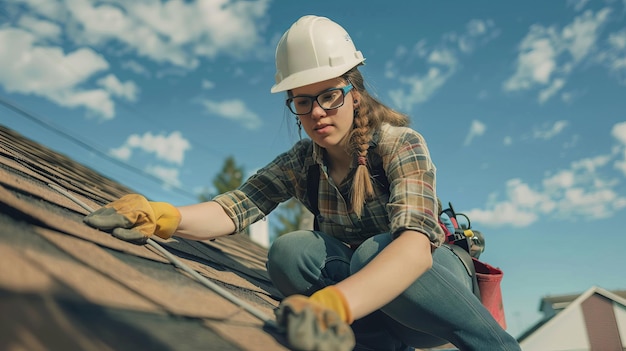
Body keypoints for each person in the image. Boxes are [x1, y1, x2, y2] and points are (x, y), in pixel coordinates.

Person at [84, 15, 521, 351]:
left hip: (430, 298)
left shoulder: (399, 144)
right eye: (302, 101)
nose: (317, 112)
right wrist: (164, 217)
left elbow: (412, 251)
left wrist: (333, 306)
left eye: (329, 94)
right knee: (290, 252)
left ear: (354, 90)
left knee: (374, 250)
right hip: (374, 304)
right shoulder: (303, 163)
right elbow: (237, 207)